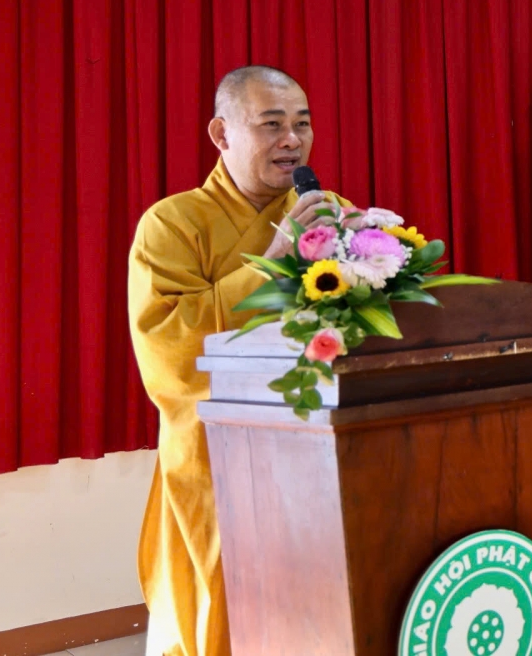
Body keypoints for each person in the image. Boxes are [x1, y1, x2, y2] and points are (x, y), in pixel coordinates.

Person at [129, 67, 345, 656]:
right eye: (271, 125)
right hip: (216, 457)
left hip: (320, 449)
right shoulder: (171, 224)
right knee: (224, 614)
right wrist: (275, 258)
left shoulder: (329, 212)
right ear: (221, 134)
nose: (292, 140)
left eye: (302, 124)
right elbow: (169, 347)